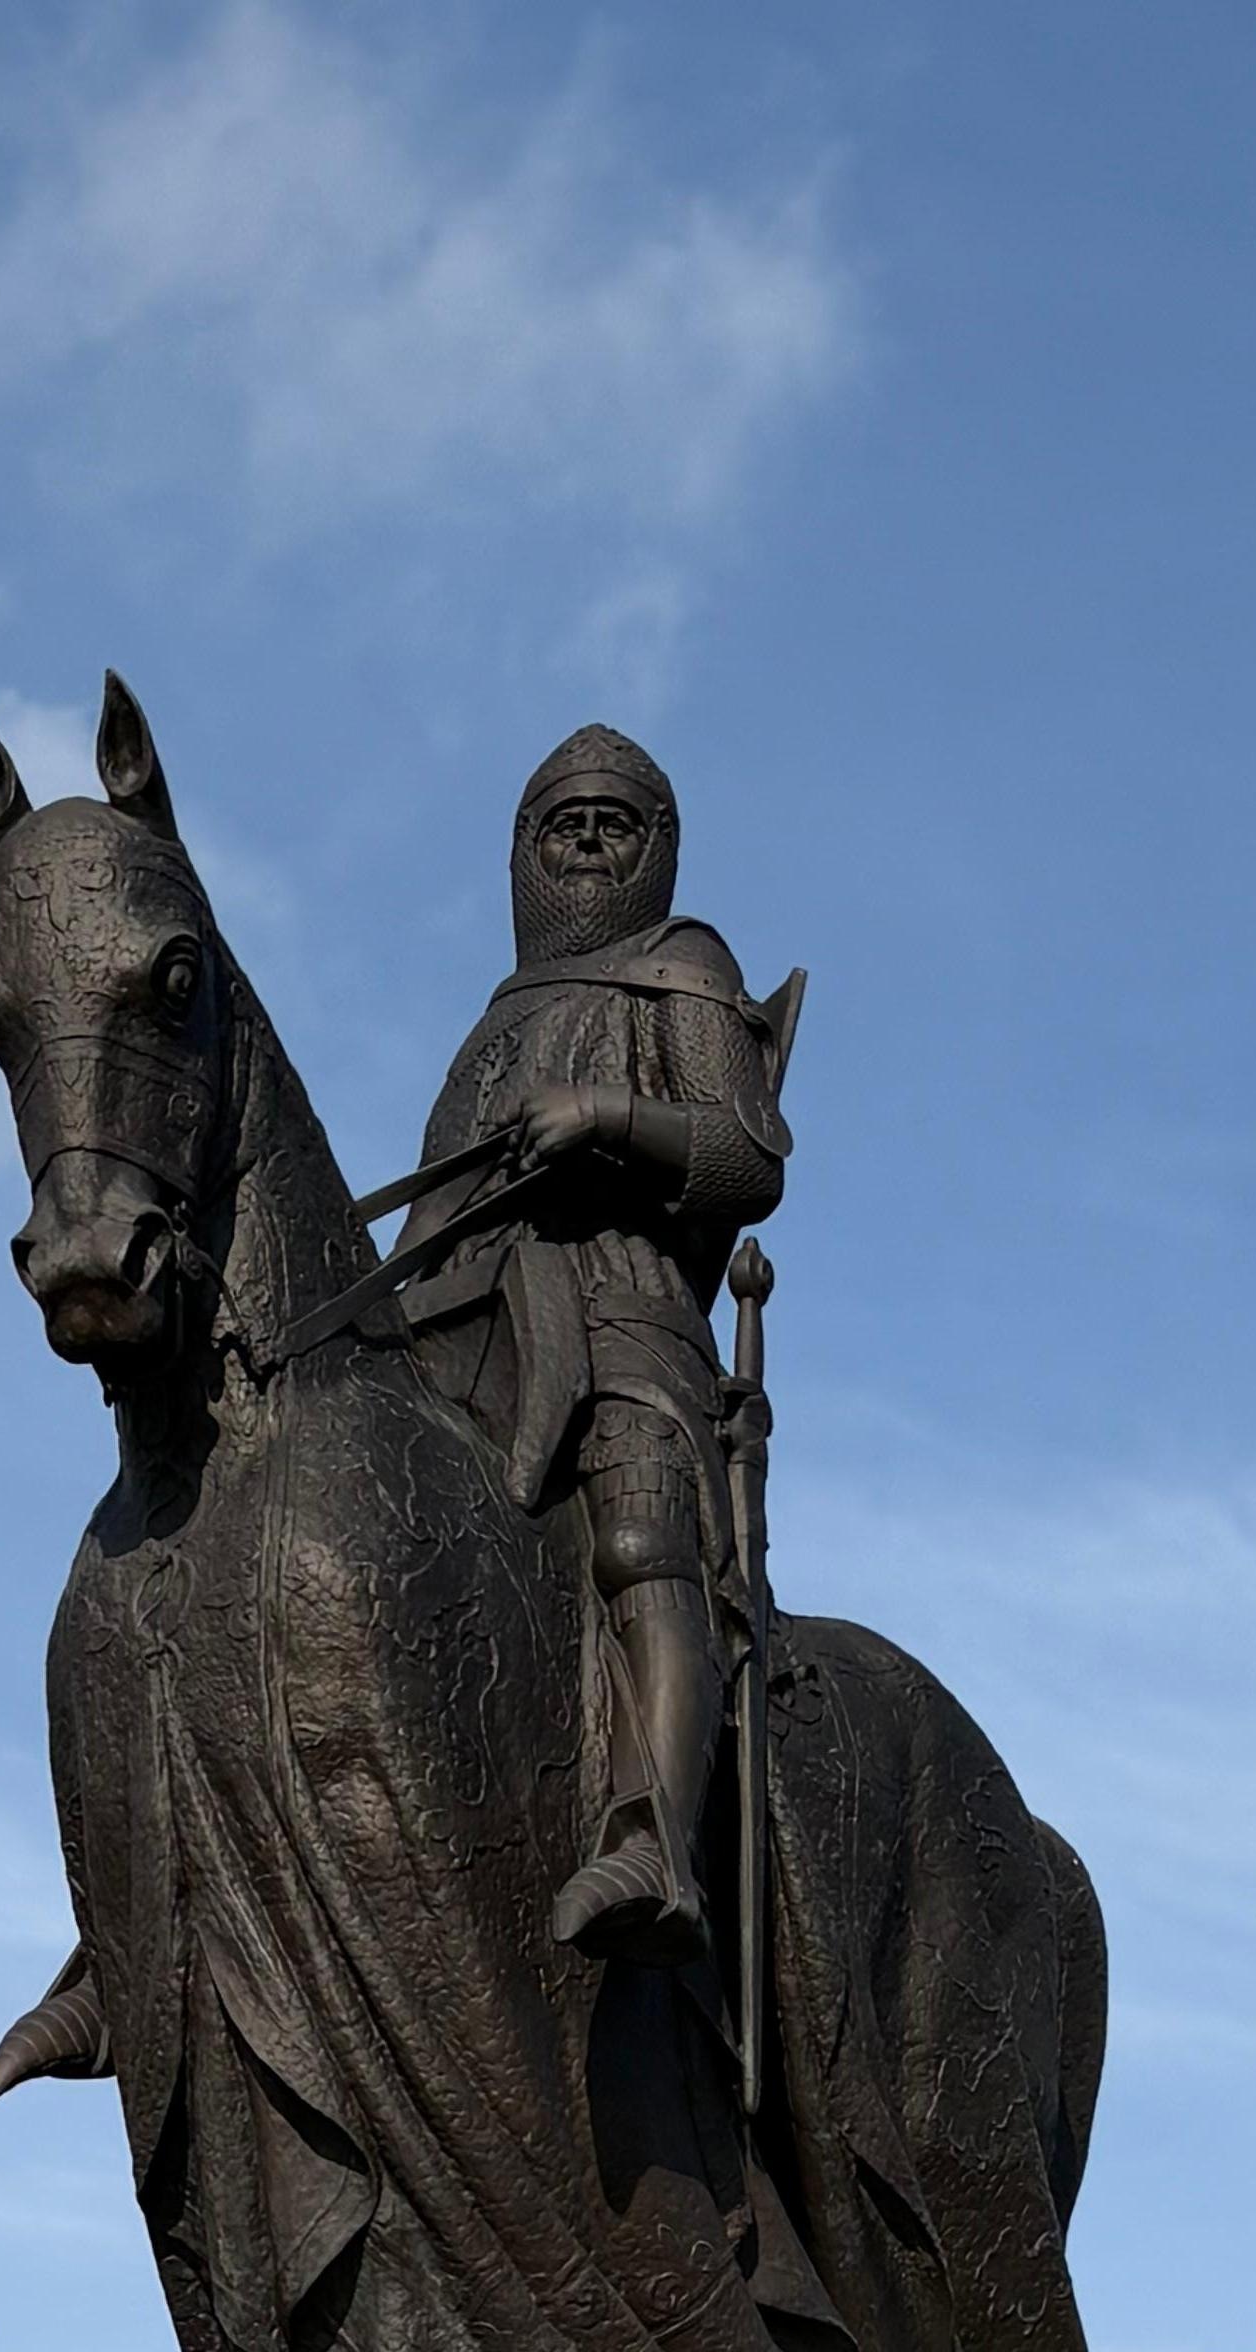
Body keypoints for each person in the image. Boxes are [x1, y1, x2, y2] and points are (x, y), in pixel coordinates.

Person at [390, 725, 793, 1967]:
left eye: (616, 822)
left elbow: (750, 1152)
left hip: (622, 1310)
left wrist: (606, 1116)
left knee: (636, 1530)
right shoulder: (498, 1020)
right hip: (463, 1322)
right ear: (524, 848)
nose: (588, 841)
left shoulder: (683, 968)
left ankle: (656, 1836)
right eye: (565, 822)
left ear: (657, 849)